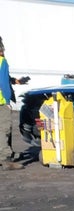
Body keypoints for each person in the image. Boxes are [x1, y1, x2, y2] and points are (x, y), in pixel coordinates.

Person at [1, 37, 23, 170]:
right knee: (4, 129)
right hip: (1, 101)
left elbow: (5, 79)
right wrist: (7, 100)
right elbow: (3, 82)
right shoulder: (1, 61)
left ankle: (7, 153)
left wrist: (16, 81)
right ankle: (5, 159)